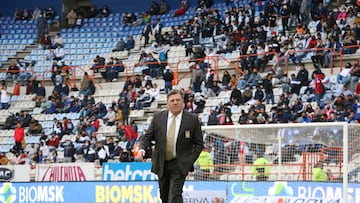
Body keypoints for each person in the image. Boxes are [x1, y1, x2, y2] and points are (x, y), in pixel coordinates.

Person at [138, 89, 203, 203]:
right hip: (162, 163)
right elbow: (147, 136)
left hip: (180, 164)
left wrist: (189, 160)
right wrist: (142, 148)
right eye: (172, 100)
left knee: (175, 195)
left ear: (183, 102)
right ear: (167, 103)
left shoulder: (192, 119)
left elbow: (199, 144)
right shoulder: (158, 117)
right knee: (164, 196)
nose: (175, 103)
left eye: (178, 100)